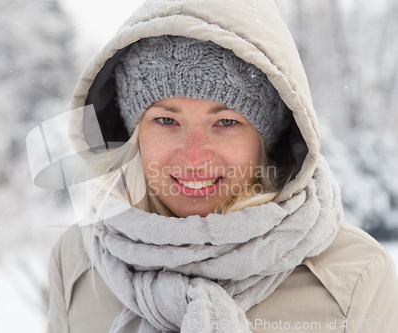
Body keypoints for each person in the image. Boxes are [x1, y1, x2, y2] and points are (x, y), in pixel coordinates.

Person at [45, 0, 398, 332]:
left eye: (226, 122)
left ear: (266, 141)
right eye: (167, 121)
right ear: (134, 134)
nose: (194, 157)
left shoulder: (353, 278)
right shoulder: (78, 262)